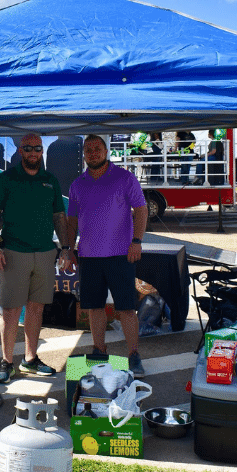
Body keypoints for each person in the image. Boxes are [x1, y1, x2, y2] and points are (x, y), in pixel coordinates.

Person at [62, 134, 148, 378]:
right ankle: (99, 350)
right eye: (88, 149)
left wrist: (137, 241)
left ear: (106, 150)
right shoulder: (77, 184)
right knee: (94, 308)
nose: (93, 153)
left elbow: (141, 211)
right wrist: (69, 248)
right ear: (84, 154)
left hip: (121, 254)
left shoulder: (124, 177)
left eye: (97, 148)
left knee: (127, 308)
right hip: (89, 256)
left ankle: (133, 354)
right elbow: (71, 221)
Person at [0, 134, 68, 384]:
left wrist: (66, 248)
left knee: (36, 309)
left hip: (45, 253)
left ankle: (30, 359)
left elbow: (59, 217)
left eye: (37, 148)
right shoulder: (6, 179)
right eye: (28, 148)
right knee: (10, 312)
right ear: (20, 151)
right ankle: (6, 362)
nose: (33, 152)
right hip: (13, 253)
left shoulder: (50, 180)